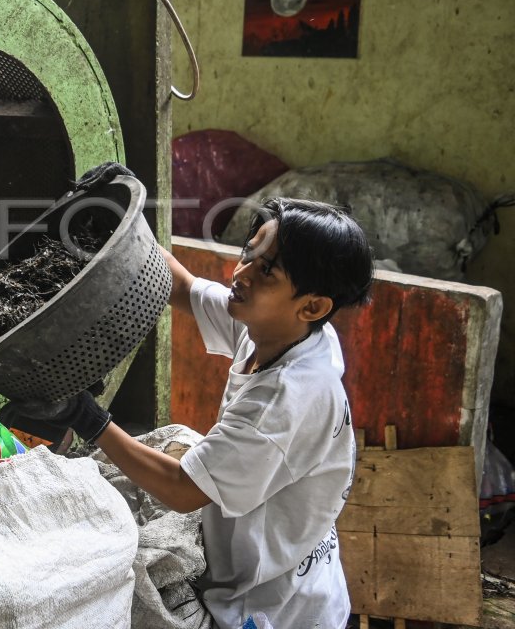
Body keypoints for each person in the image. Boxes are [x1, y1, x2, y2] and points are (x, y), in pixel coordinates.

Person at [26, 196, 373, 629]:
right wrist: (121, 229)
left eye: (267, 270)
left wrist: (88, 418)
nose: (242, 273)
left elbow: (183, 489)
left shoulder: (285, 401)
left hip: (276, 608)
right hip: (261, 555)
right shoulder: (280, 330)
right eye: (249, 253)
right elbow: (182, 287)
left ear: (313, 306)